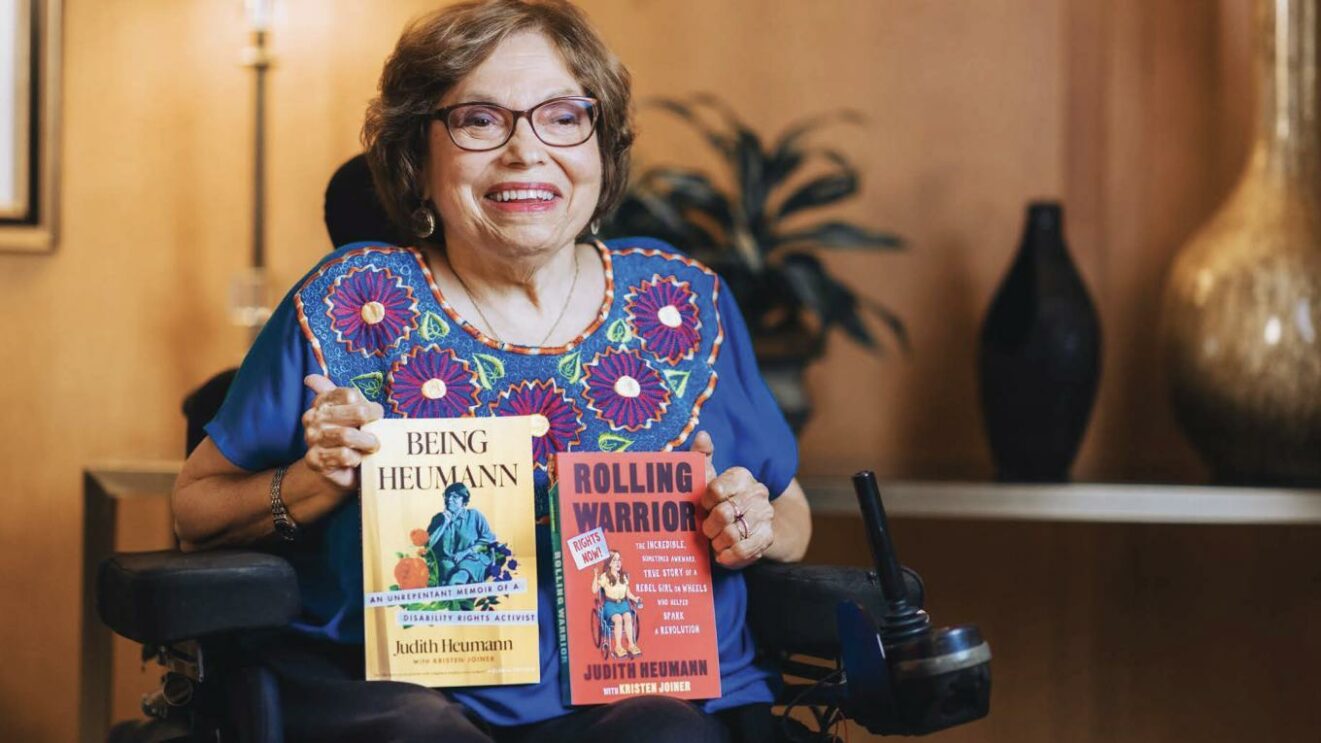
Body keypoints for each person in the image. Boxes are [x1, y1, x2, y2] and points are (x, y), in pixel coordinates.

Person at [170, 1, 812, 740]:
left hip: (655, 691)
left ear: (600, 144)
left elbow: (789, 513)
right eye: (480, 119)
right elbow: (194, 509)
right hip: (401, 695)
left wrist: (749, 523)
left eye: (563, 116)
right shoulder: (350, 299)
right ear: (419, 155)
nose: (525, 151)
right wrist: (321, 481)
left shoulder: (683, 299)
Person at [428, 482, 499, 585]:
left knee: (455, 581)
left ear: (464, 502)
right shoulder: (438, 518)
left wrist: (465, 552)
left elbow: (487, 539)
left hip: (470, 560)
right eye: (447, 496)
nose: (449, 499)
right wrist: (444, 523)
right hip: (447, 563)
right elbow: (427, 545)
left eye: (455, 497)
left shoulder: (474, 515)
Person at [592, 550, 642, 659]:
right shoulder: (605, 577)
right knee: (618, 619)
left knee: (628, 617)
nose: (618, 562)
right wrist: (596, 575)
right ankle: (618, 647)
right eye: (614, 560)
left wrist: (635, 598)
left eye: (619, 560)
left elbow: (628, 593)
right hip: (610, 605)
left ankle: (631, 645)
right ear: (609, 563)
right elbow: (594, 589)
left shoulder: (623, 577)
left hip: (623, 603)